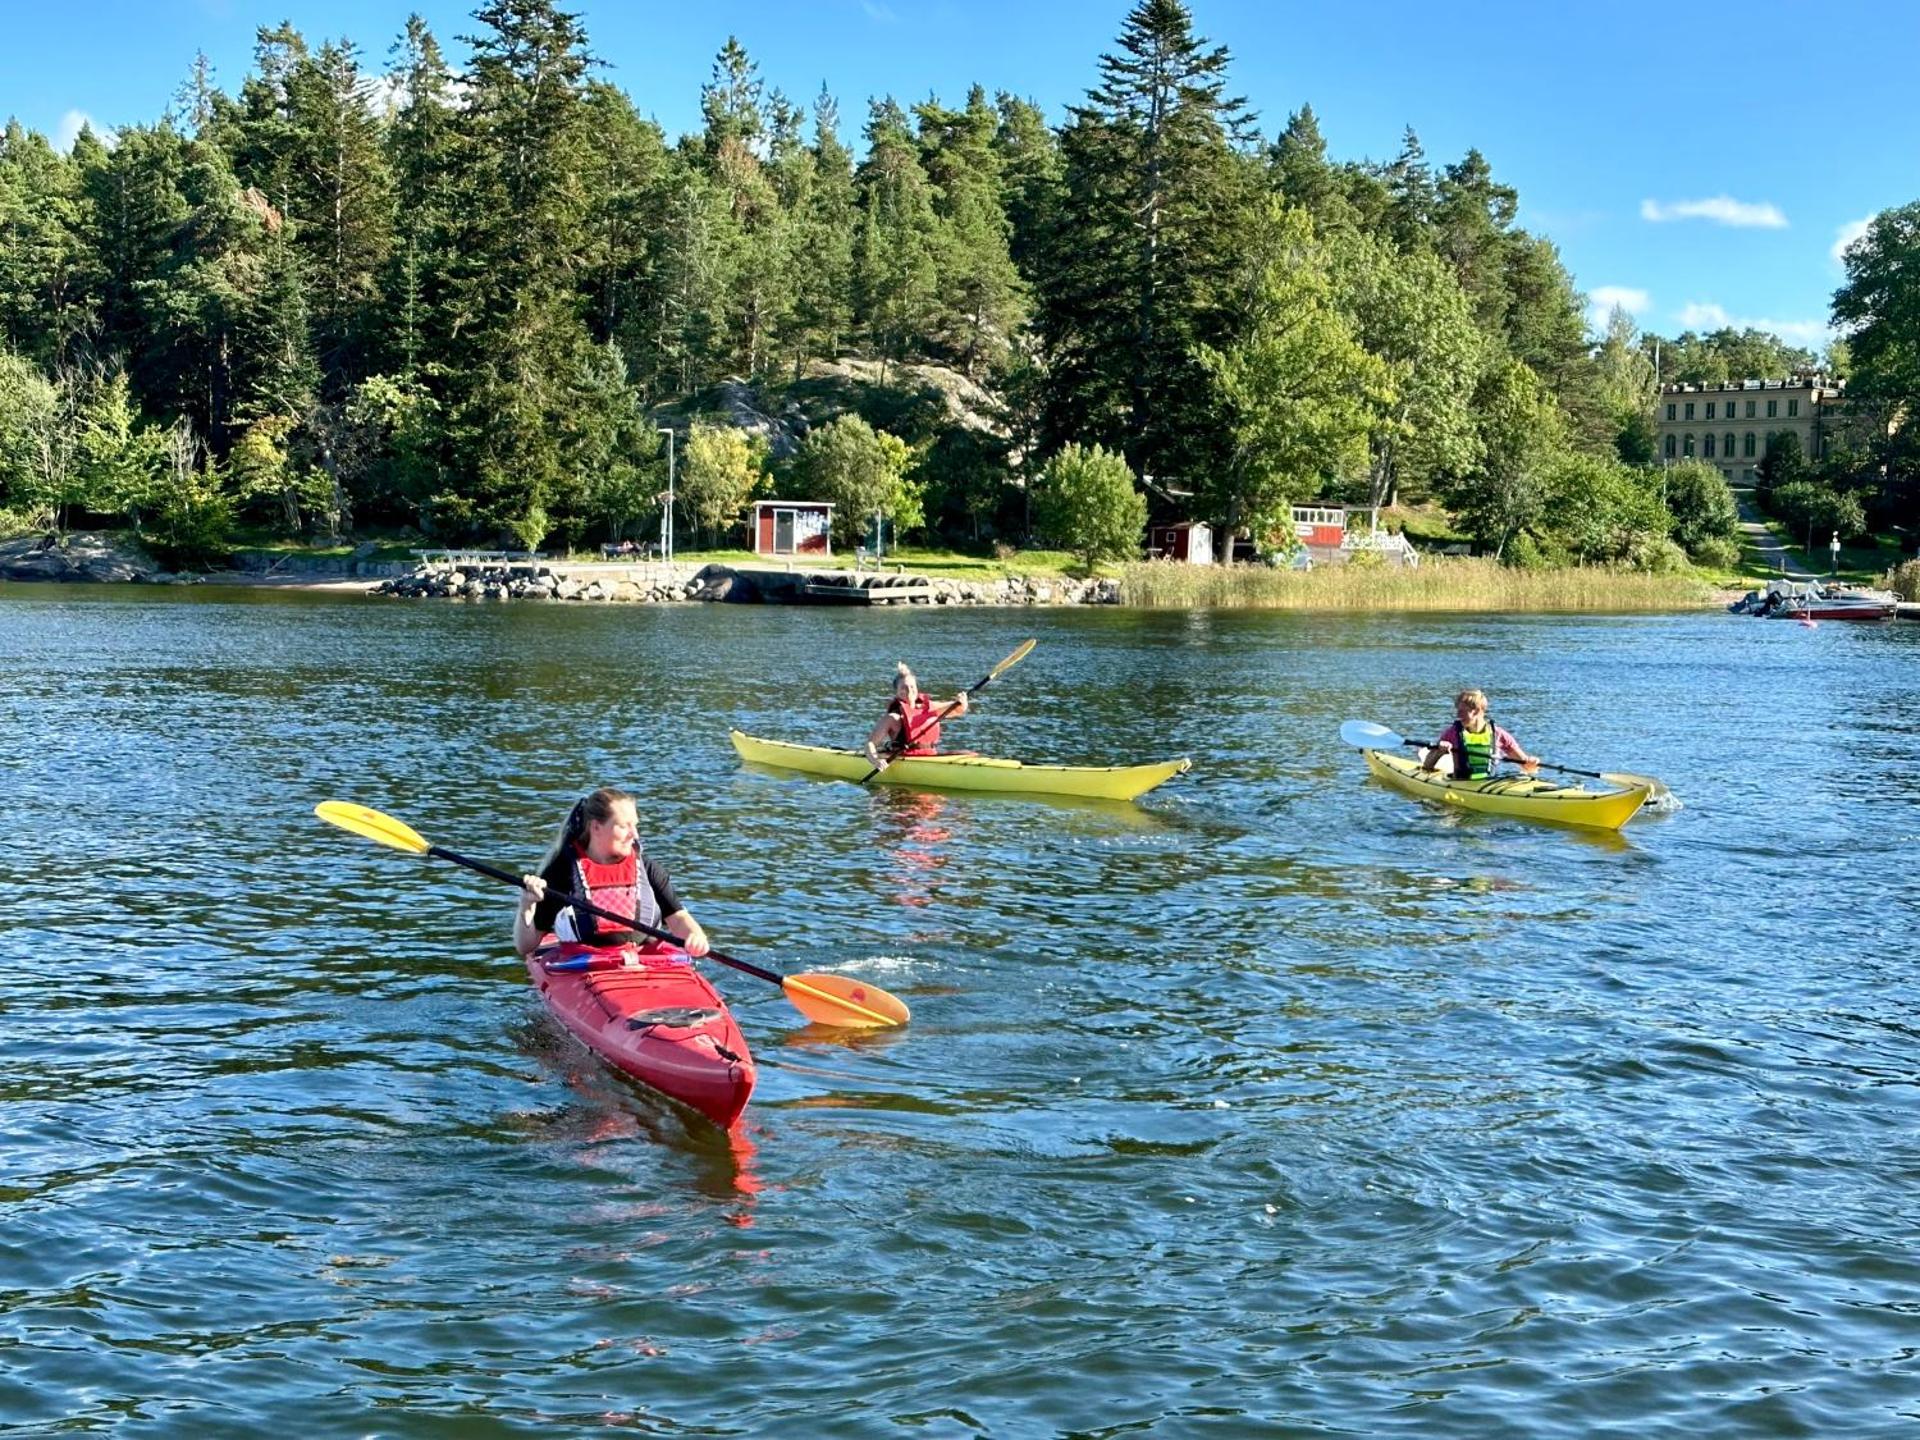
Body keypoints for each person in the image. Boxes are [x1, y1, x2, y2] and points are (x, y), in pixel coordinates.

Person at [513, 787, 710, 959]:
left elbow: (679, 920)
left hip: (644, 963)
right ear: (596, 827)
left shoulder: (649, 869)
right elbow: (525, 946)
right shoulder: (562, 871)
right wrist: (527, 905)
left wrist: (696, 937)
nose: (635, 835)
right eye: (624, 826)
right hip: (584, 966)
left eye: (635, 825)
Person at [863, 662, 968, 771]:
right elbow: (870, 744)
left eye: (912, 686)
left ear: (917, 689)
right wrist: (876, 761)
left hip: (931, 757)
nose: (909, 690)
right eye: (904, 687)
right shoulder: (892, 718)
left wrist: (962, 702)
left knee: (968, 754)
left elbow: (956, 710)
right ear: (897, 691)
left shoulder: (930, 707)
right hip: (907, 759)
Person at [1419, 689, 1540, 781]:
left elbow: (1526, 766)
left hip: (1487, 783)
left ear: (1476, 711)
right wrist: (1440, 750)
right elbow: (1427, 766)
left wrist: (1531, 762)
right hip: (1460, 783)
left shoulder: (1499, 734)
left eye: (1461, 711)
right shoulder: (1451, 733)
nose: (1457, 715)